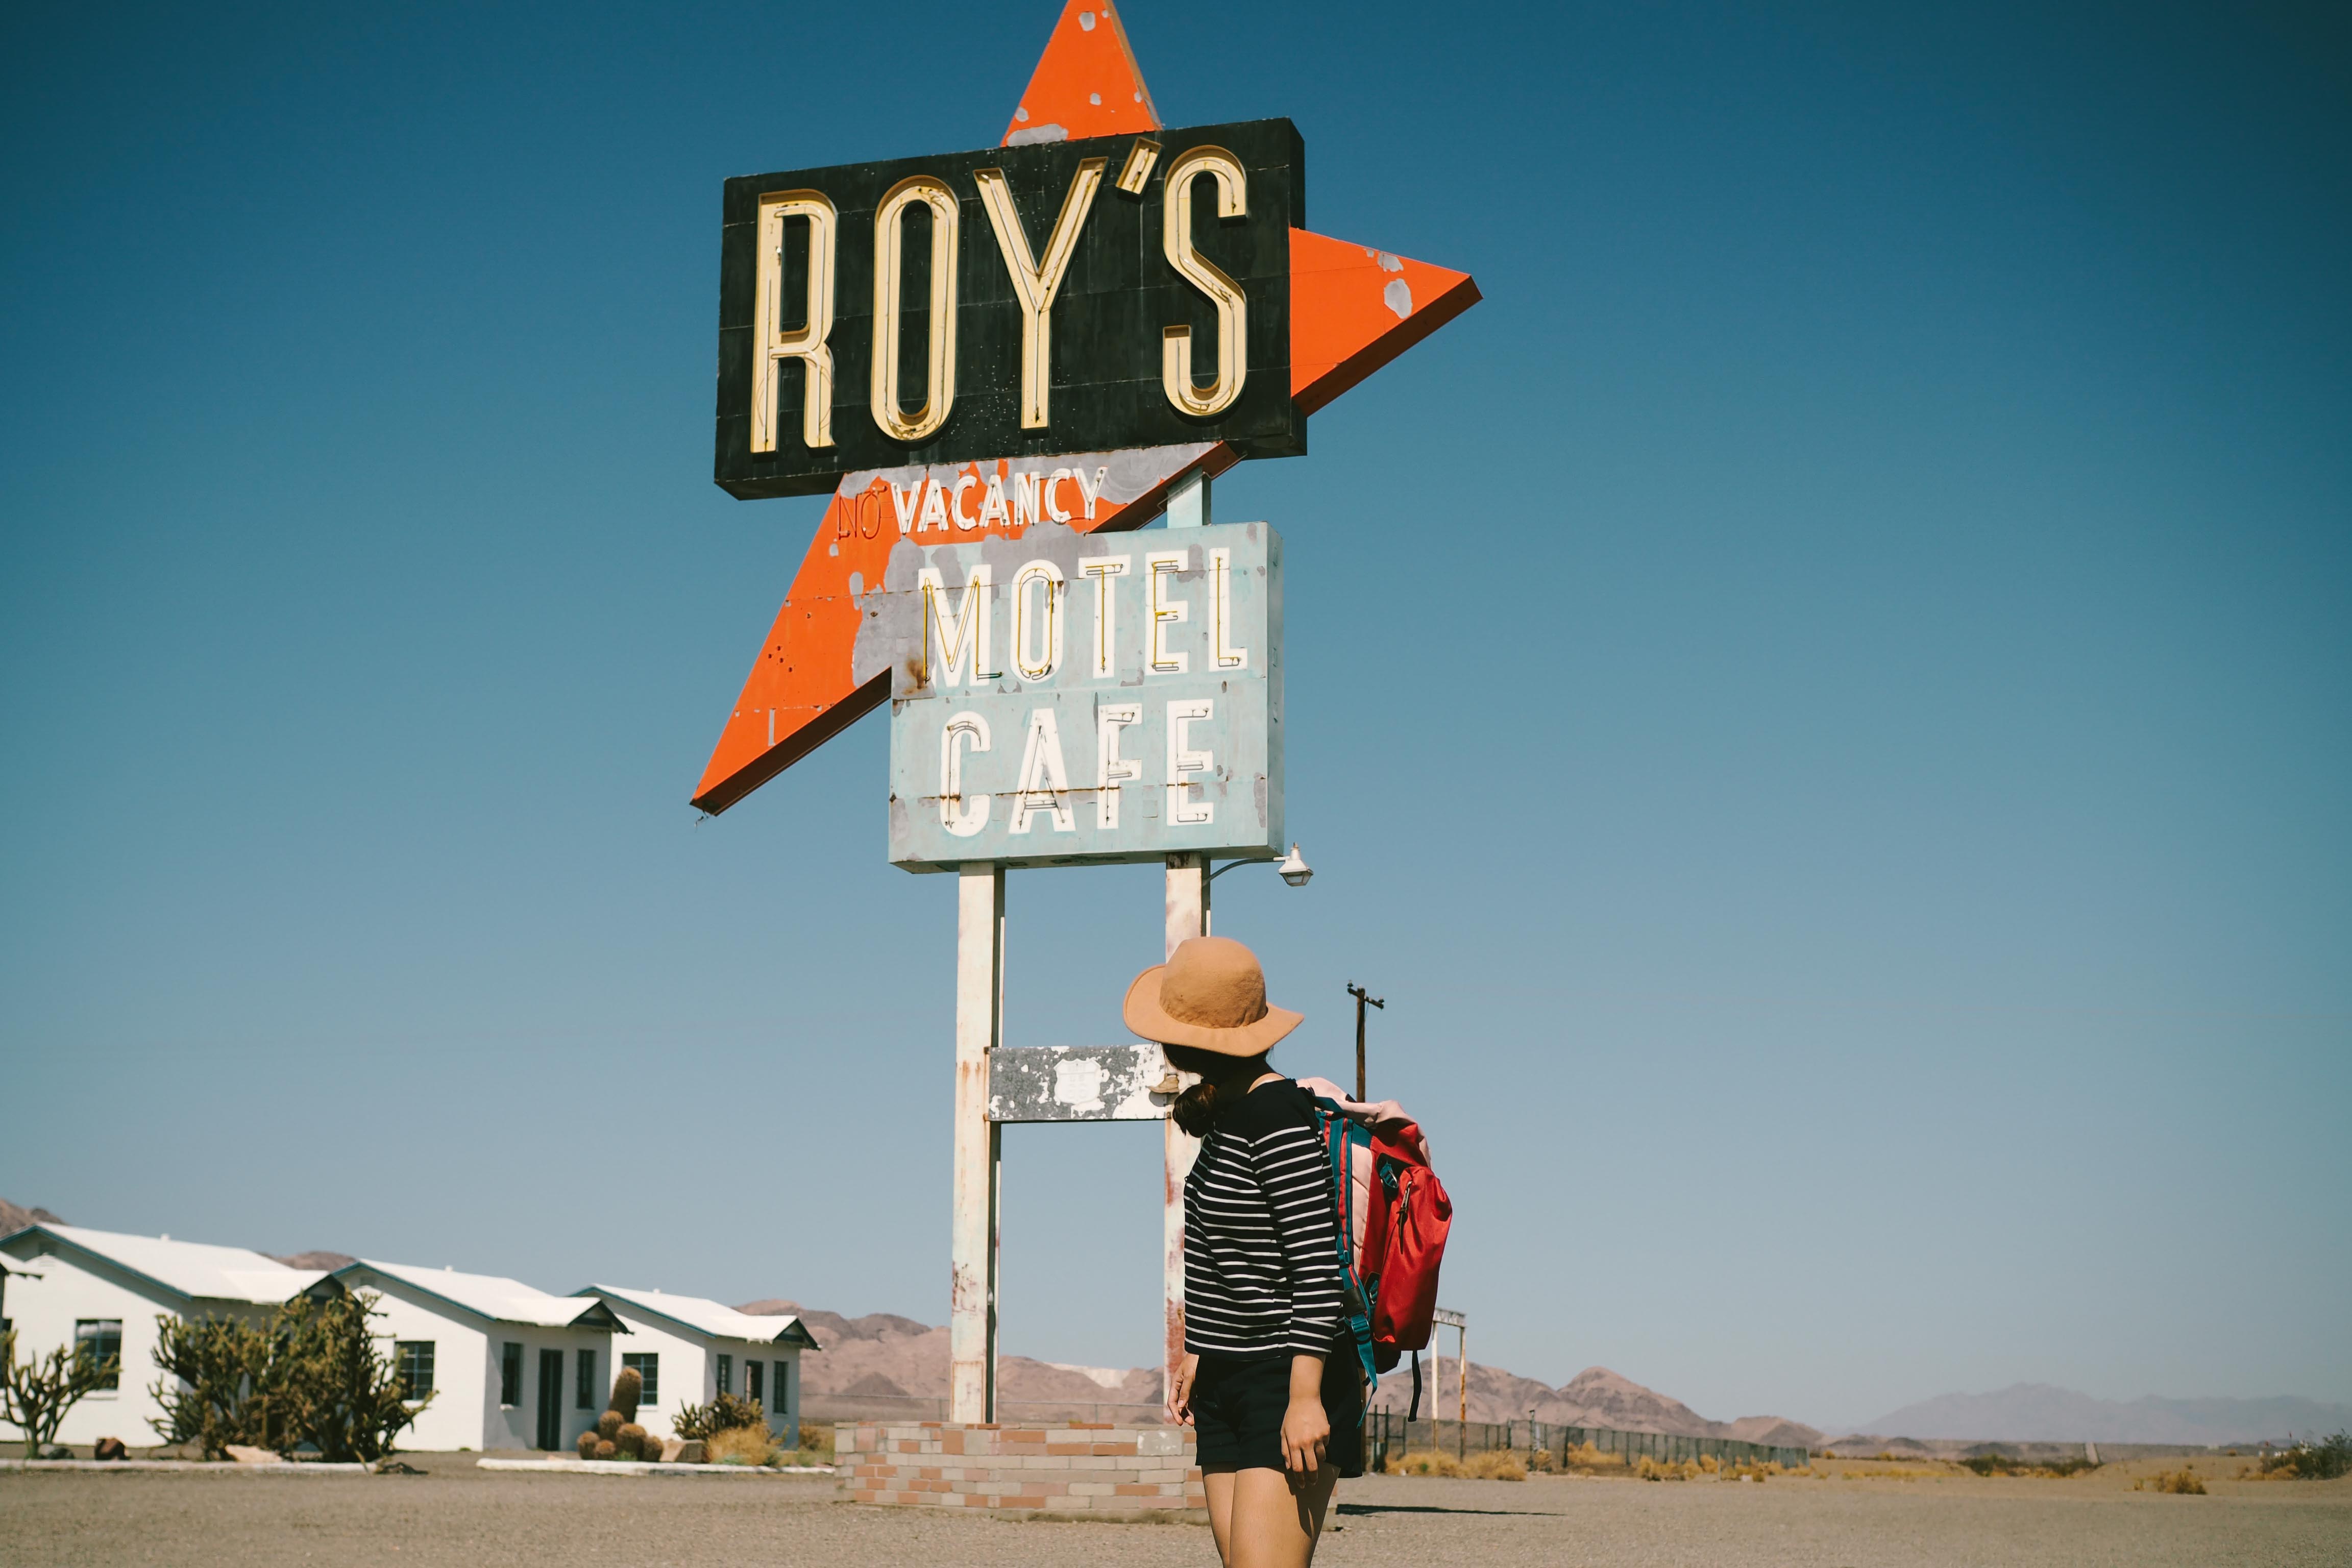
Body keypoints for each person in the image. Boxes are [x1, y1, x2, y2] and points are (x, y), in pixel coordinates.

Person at [1124, 935, 1363, 1568]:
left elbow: (1316, 1263)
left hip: (1286, 1379)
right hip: (1227, 1379)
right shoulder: (1229, 1115)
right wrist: (1198, 1352)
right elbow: (1215, 1252)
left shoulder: (1276, 1114)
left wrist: (1306, 1397)